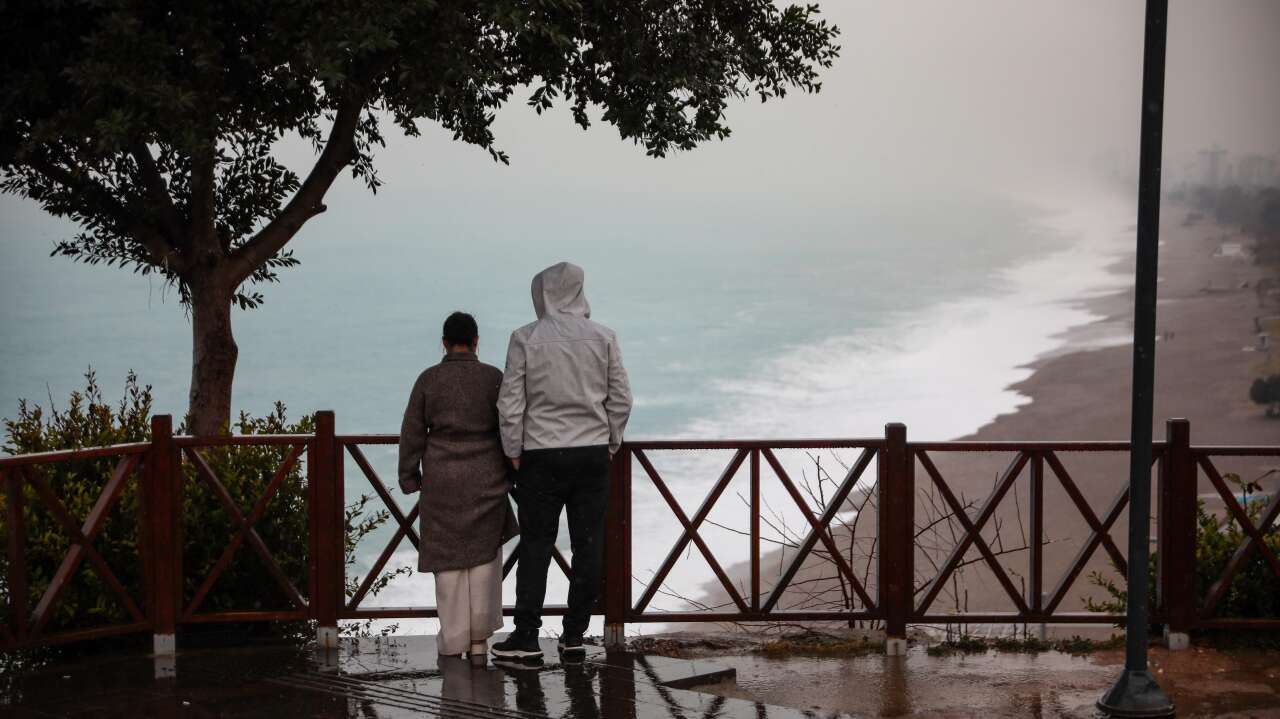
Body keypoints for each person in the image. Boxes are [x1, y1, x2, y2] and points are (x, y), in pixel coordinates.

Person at [490, 262, 632, 659]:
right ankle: (574, 636)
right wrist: (611, 441)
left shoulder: (524, 338)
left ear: (542, 294)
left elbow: (510, 402)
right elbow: (621, 397)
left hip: (540, 454)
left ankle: (527, 636)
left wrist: (513, 449)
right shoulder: (604, 337)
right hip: (591, 454)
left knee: (536, 544)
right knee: (588, 544)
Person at [399, 311, 518, 659]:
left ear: (445, 343)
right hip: (488, 478)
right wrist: (515, 474)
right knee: (485, 558)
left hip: (442, 482)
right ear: (477, 341)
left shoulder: (428, 379)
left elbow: (412, 432)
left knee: (448, 562)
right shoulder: (494, 378)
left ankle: (452, 640)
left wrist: (409, 476)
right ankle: (480, 638)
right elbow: (510, 429)